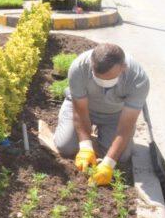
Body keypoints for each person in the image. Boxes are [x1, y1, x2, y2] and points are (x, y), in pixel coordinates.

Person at [53, 44, 150, 185]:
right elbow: (80, 110)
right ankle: (86, 140)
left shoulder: (138, 79)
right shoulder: (79, 67)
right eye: (98, 77)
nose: (104, 83)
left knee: (122, 156)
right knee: (65, 147)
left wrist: (108, 164)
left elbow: (127, 124)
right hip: (85, 108)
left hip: (115, 115)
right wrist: (85, 147)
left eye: (109, 78)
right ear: (91, 64)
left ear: (123, 68)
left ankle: (102, 138)